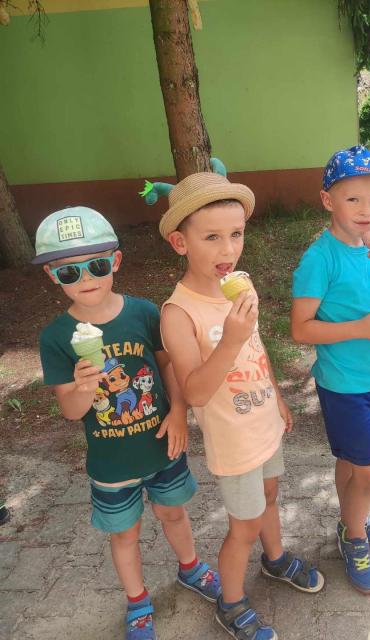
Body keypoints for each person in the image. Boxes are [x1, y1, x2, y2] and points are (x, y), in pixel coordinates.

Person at [37, 207, 220, 640]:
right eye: (69, 272)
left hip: (161, 444)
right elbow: (71, 411)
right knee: (124, 535)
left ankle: (191, 568)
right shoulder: (56, 337)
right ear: (52, 275)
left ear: (115, 261)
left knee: (173, 513)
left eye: (97, 265)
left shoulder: (143, 313)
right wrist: (84, 386)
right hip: (112, 463)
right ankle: (137, 600)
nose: (86, 278)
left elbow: (168, 367)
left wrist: (178, 413)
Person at [158, 170, 324, 640]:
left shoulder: (239, 287)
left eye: (236, 234)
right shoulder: (179, 312)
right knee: (244, 526)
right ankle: (230, 603)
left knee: (270, 497)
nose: (228, 249)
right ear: (180, 243)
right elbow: (194, 392)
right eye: (211, 237)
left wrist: (278, 397)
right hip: (233, 441)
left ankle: (275, 560)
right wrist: (229, 339)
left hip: (263, 419)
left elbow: (256, 346)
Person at [290, 145, 370, 595]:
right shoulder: (319, 260)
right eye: (354, 199)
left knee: (352, 462)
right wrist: (360, 327)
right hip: (344, 386)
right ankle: (354, 538)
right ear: (328, 201)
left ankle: (351, 520)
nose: (367, 210)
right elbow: (301, 329)